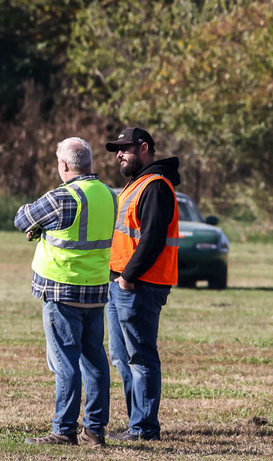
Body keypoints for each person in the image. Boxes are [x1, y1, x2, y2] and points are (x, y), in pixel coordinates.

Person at [15, 137, 117, 447]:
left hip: (61, 289)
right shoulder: (109, 195)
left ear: (63, 165)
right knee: (95, 361)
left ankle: (64, 429)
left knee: (66, 363)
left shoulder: (61, 196)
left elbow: (22, 219)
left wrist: (40, 226)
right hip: (96, 290)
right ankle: (95, 430)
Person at [105, 127, 180, 441]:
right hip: (121, 284)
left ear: (144, 148)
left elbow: (152, 240)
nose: (119, 155)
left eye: (125, 149)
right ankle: (136, 422)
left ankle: (144, 428)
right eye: (117, 150)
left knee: (140, 356)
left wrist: (128, 278)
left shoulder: (155, 186)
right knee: (121, 356)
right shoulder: (136, 184)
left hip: (139, 285)